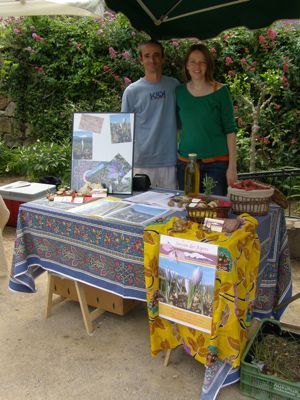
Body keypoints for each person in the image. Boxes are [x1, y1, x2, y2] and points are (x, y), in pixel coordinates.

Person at [176, 43, 238, 196]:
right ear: (186, 65)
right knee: (187, 212)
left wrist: (232, 167)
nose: (197, 66)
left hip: (216, 166)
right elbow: (177, 127)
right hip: (186, 165)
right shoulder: (179, 92)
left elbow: (230, 130)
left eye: (202, 61)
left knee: (214, 215)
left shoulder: (221, 92)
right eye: (193, 61)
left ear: (208, 65)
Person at [121, 39, 179, 189]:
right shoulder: (132, 91)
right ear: (141, 59)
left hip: (170, 162)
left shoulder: (174, 86)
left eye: (156, 55)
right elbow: (122, 133)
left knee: (171, 209)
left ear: (163, 58)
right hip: (141, 163)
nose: (152, 60)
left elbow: (182, 122)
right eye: (147, 56)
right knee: (140, 210)